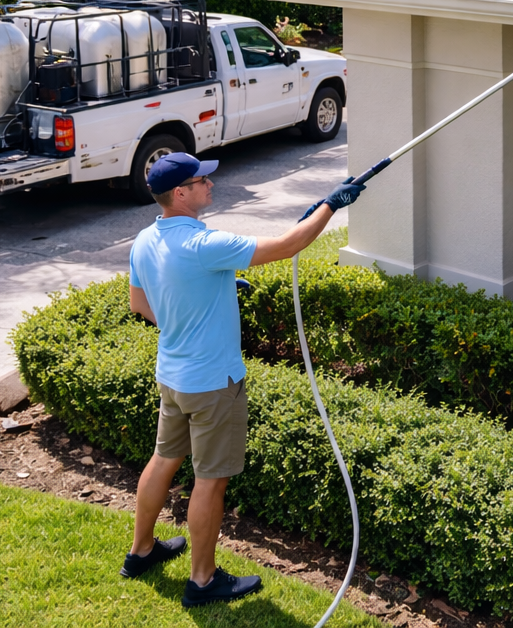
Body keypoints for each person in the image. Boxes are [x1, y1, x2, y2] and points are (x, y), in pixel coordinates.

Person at [119, 151, 363, 608]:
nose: (210, 185)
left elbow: (140, 304)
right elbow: (288, 246)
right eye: (202, 181)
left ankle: (142, 552)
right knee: (210, 480)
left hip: (173, 376)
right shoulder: (203, 244)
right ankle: (204, 580)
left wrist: (196, 305)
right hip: (213, 382)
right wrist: (333, 204)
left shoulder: (145, 239)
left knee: (163, 459)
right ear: (180, 193)